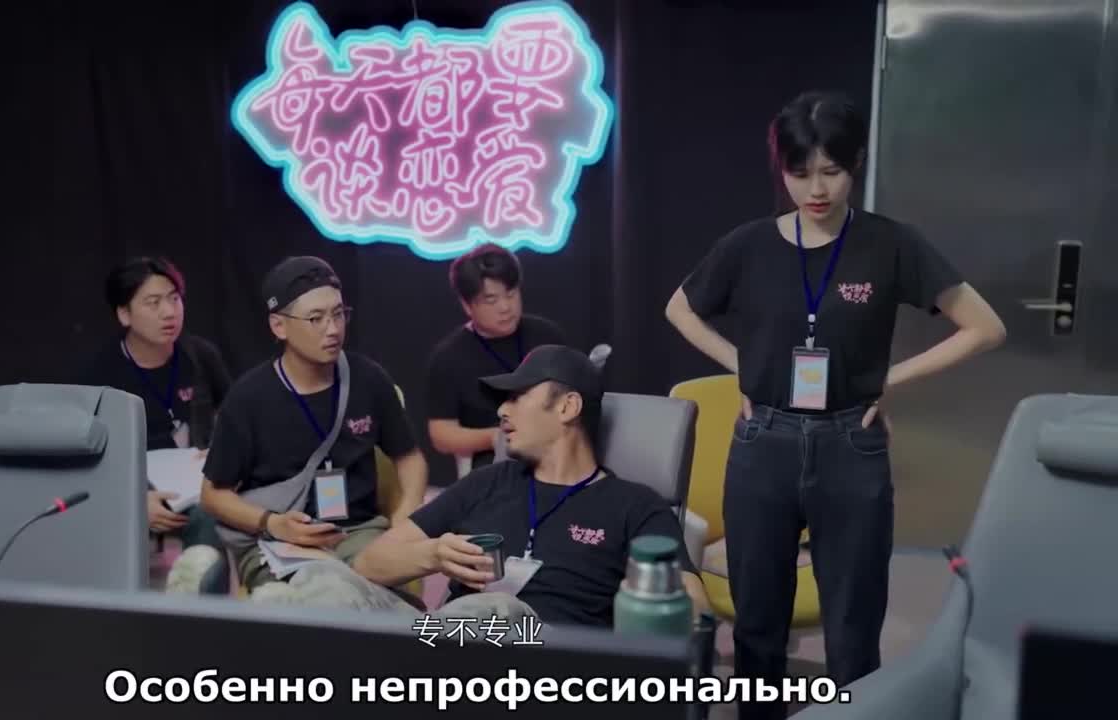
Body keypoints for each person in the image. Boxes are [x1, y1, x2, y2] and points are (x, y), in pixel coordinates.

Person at [665, 90, 1006, 719]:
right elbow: (679, 309)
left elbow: (985, 327)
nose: (817, 189)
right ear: (782, 170)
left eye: (832, 171)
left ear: (857, 164)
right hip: (762, 443)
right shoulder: (748, 245)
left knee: (854, 627)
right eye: (800, 174)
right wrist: (745, 366)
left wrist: (888, 381)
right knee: (757, 624)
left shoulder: (891, 244)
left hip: (852, 444)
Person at [353, 344, 710, 627]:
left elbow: (695, 609)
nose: (501, 411)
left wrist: (641, 600)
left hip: (547, 659)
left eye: (517, 397)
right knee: (329, 581)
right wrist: (433, 554)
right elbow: (369, 563)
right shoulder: (487, 482)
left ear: (568, 407)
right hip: (452, 637)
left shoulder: (634, 506)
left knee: (497, 609)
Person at [167, 256, 427, 596]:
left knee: (376, 596)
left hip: (357, 533)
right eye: (316, 319)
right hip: (279, 542)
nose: (333, 329)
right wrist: (272, 523)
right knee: (299, 597)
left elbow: (410, 458)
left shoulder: (368, 379)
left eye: (338, 314)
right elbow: (213, 495)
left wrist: (405, 516)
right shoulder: (248, 398)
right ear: (279, 326)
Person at [77, 256, 232, 549]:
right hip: (131, 486)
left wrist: (221, 450)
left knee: (209, 513)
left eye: (174, 299)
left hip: (197, 482)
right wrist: (134, 499)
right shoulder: (99, 374)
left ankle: (199, 575)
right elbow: (86, 461)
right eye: (153, 303)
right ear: (124, 314)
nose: (169, 312)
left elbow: (235, 418)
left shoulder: (200, 356)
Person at [425, 244, 567, 473]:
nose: (505, 307)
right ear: (467, 305)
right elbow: (441, 434)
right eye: (491, 300)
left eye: (511, 294)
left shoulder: (548, 336)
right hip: (491, 464)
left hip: (557, 453)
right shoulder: (448, 357)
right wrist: (496, 437)